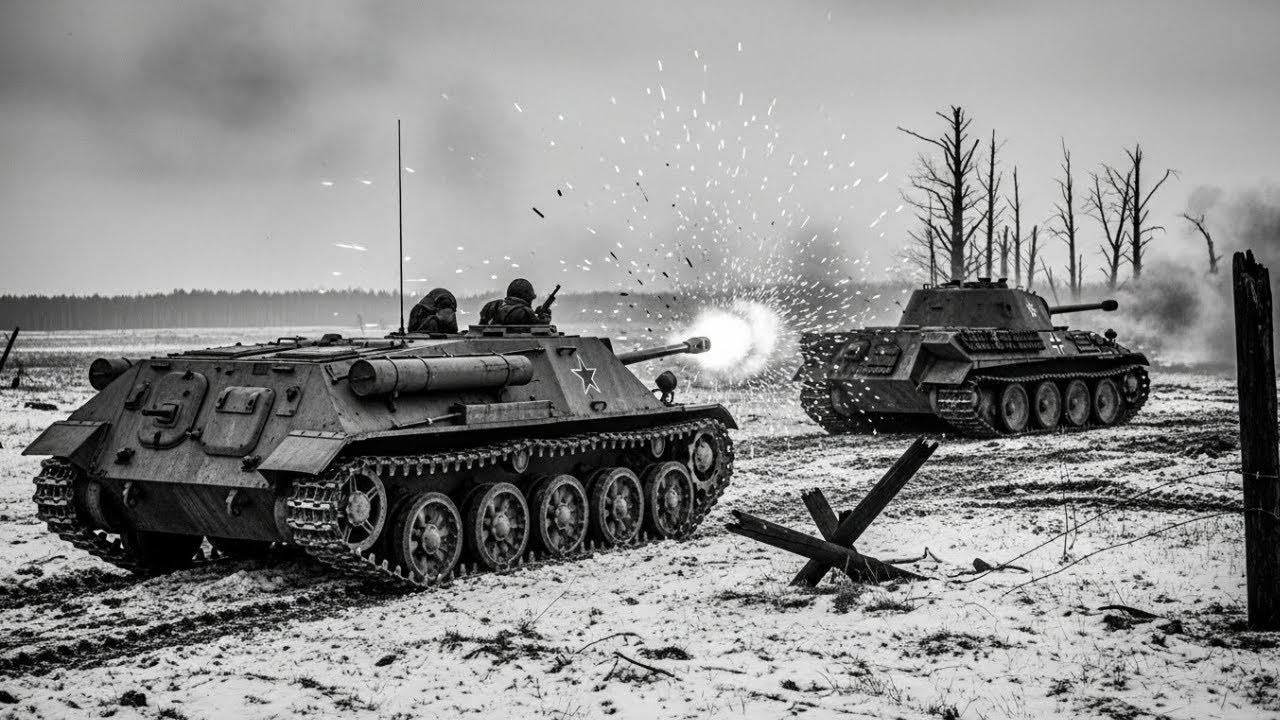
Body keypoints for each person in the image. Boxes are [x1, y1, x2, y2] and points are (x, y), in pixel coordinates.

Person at [479, 278, 551, 325]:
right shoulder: (525, 312)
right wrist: (545, 317)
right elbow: (540, 328)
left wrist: (535, 314)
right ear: (526, 296)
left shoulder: (492, 306)